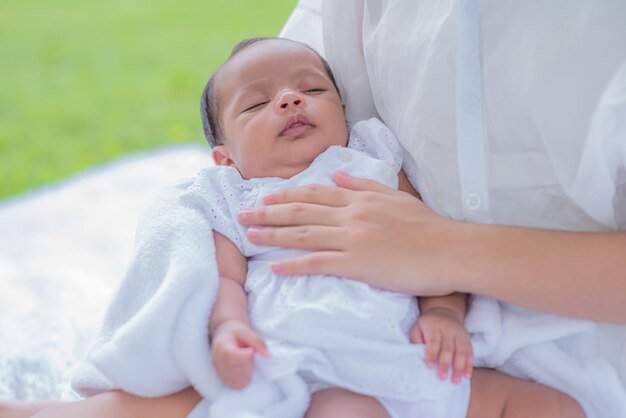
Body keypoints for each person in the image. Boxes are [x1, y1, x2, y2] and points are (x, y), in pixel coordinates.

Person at [0, 37, 586, 418]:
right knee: (141, 408)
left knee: (554, 407)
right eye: (256, 105)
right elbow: (220, 278)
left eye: (311, 89)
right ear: (225, 156)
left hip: (397, 354)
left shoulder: (373, 160)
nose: (288, 101)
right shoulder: (232, 196)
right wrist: (229, 331)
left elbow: (431, 244)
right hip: (281, 351)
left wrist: (441, 313)